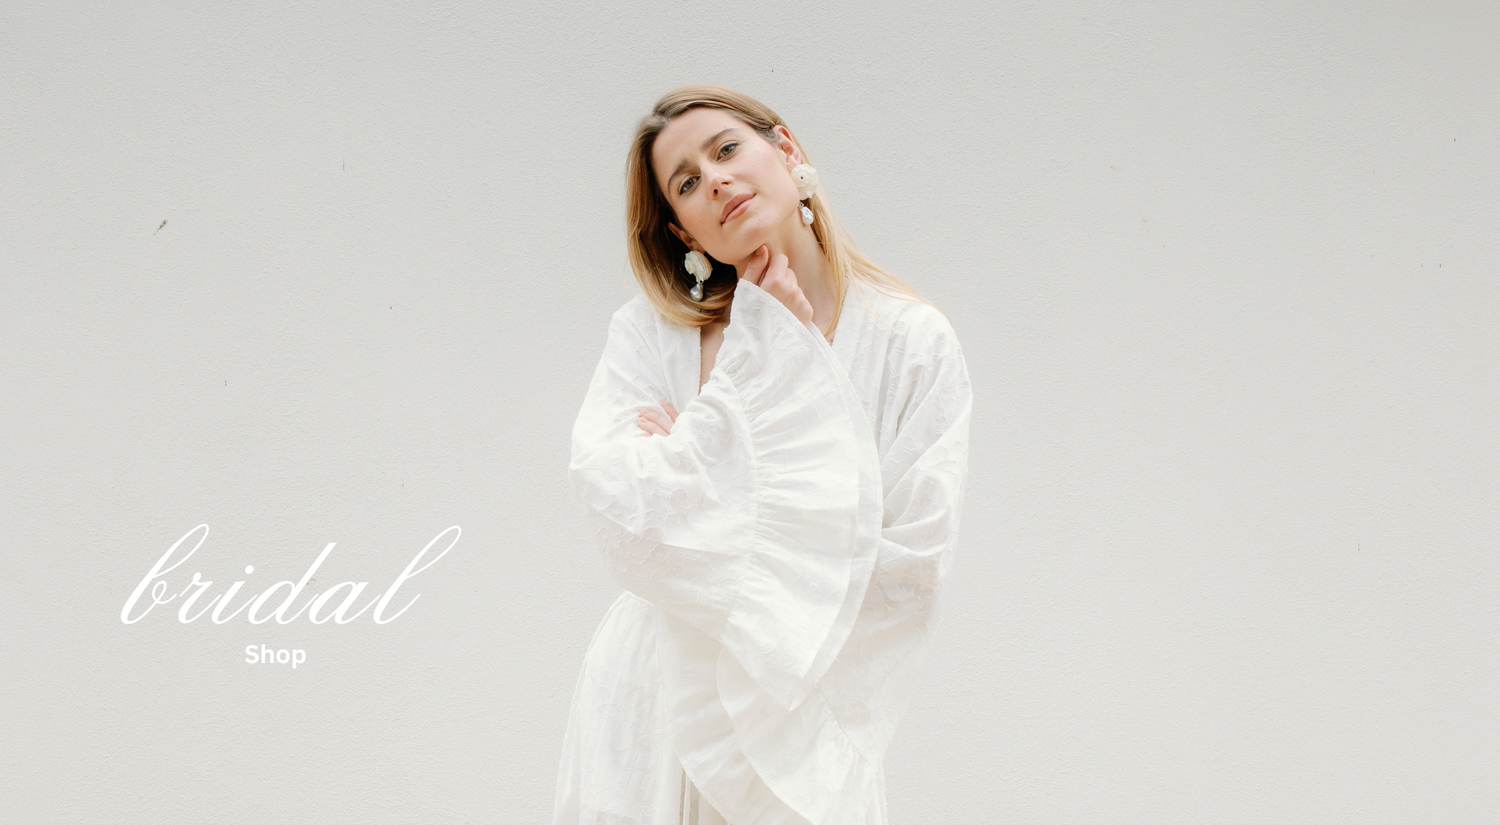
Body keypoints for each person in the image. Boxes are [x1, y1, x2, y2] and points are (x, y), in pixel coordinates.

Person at [553, 85, 973, 825]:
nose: (715, 179)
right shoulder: (649, 337)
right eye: (686, 182)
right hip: (651, 703)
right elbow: (625, 517)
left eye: (726, 149)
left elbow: (908, 569)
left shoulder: (911, 344)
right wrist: (758, 351)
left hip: (804, 723)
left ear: (786, 150)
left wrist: (693, 459)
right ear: (683, 232)